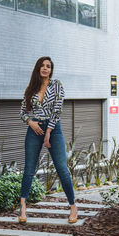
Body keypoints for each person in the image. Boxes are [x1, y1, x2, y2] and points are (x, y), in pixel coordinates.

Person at [19, 56, 78, 224]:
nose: (45, 68)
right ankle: (23, 207)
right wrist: (30, 123)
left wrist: (48, 132)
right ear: (38, 68)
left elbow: (57, 110)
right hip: (34, 130)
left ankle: (73, 206)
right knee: (29, 169)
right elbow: (22, 112)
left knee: (62, 168)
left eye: (49, 66)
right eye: (43, 66)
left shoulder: (57, 85)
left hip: (54, 129)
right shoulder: (31, 88)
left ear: (51, 70)